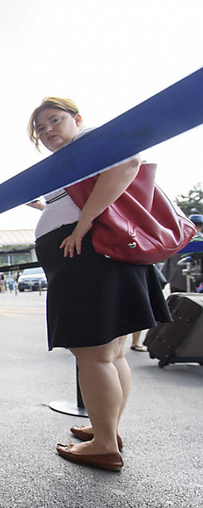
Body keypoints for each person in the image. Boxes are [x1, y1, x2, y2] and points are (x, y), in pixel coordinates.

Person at [27, 97, 170, 471]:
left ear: (77, 119)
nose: (47, 131)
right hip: (94, 253)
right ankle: (107, 429)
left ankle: (105, 443)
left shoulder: (89, 138)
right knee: (111, 353)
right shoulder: (76, 157)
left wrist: (84, 223)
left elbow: (127, 161)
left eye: (54, 120)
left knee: (92, 353)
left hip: (87, 255)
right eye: (41, 128)